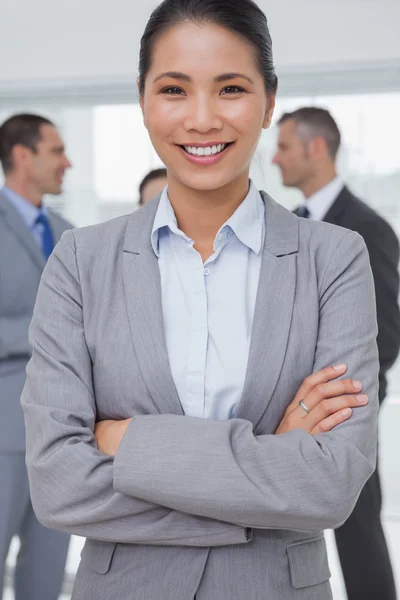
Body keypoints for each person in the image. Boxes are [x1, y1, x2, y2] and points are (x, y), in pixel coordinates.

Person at [21, 2, 379, 599]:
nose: (203, 118)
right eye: (174, 89)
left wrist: (126, 440)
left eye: (231, 88)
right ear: (142, 100)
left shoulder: (334, 257)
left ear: (268, 102)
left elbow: (330, 486)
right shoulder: (81, 262)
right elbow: (59, 487)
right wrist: (267, 465)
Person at [273, 106, 400, 600]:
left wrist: (337, 399)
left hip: (347, 409)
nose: (276, 159)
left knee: (358, 532)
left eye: (284, 146)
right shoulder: (287, 225)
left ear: (315, 148)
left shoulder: (367, 226)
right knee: (282, 529)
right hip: (285, 411)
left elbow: (386, 337)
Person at [0, 113, 72, 599]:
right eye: (56, 151)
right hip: (4, 426)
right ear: (22, 156)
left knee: (48, 567)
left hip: (63, 429)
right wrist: (51, 333)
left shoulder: (69, 232)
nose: (67, 163)